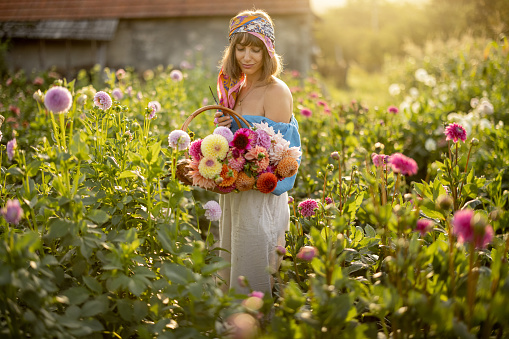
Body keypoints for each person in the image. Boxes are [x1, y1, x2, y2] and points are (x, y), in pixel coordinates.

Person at [213, 9, 301, 295]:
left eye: (255, 49)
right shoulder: (237, 87)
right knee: (231, 260)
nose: (247, 57)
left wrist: (242, 139)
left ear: (268, 51)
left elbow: (280, 157)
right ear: (232, 50)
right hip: (236, 192)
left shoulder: (275, 91)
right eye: (241, 48)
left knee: (252, 268)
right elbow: (239, 137)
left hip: (259, 195)